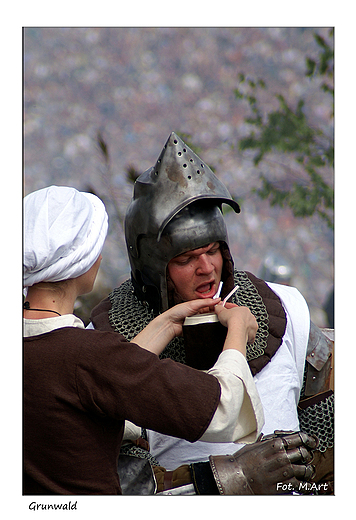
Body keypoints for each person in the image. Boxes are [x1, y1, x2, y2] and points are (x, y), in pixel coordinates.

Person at [91, 132, 333, 495]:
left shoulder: (287, 308)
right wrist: (234, 476)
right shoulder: (103, 341)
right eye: (186, 259)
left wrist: (303, 471)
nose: (206, 268)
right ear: (153, 267)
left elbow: (331, 445)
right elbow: (119, 486)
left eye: (213, 250)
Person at [23, 185, 275, 495]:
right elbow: (223, 409)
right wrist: (237, 329)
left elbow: (103, 379)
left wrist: (168, 323)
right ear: (84, 260)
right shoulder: (87, 356)